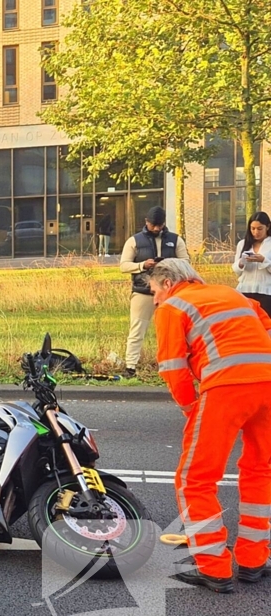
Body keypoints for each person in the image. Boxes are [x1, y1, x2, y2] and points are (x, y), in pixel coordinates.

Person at [151, 258, 271, 593]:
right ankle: (254, 559)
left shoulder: (173, 307)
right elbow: (266, 328)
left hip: (226, 387)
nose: (155, 300)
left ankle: (213, 565)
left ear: (166, 282)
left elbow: (173, 369)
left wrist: (192, 408)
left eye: (154, 292)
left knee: (195, 479)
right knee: (260, 470)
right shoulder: (234, 296)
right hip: (268, 382)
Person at [118, 206, 188, 378]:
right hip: (143, 291)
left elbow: (186, 261)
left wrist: (168, 264)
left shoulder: (175, 240)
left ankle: (172, 366)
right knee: (137, 328)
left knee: (171, 331)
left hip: (169, 293)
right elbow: (123, 265)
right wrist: (142, 265)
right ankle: (131, 367)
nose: (157, 228)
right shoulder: (134, 241)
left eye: (160, 225)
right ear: (146, 222)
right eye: (153, 225)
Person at [232, 211, 271, 317]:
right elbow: (236, 270)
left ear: (267, 227)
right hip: (245, 290)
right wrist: (241, 262)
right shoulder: (243, 244)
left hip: (266, 292)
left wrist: (264, 260)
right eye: (252, 228)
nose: (255, 232)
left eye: (259, 229)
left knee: (266, 325)